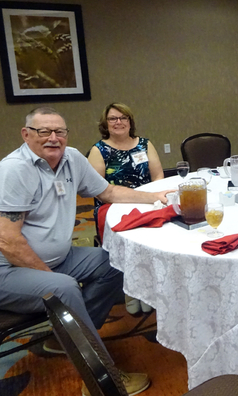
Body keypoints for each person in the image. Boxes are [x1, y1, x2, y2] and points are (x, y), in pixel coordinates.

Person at [0, 107, 171, 396]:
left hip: (59, 258)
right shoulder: (13, 171)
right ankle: (103, 379)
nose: (53, 138)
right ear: (26, 135)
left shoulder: (72, 158)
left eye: (59, 131)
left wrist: (154, 198)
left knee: (114, 261)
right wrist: (50, 282)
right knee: (64, 289)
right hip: (2, 270)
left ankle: (68, 337)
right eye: (43, 131)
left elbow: (108, 193)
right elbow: (7, 241)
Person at [88, 102, 164, 316]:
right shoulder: (98, 150)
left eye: (123, 118)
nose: (118, 122)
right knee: (130, 241)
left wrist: (151, 198)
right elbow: (98, 189)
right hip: (113, 206)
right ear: (106, 123)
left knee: (157, 236)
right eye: (113, 118)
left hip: (147, 200)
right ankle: (131, 291)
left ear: (130, 122)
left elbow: (158, 176)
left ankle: (149, 288)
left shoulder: (144, 144)